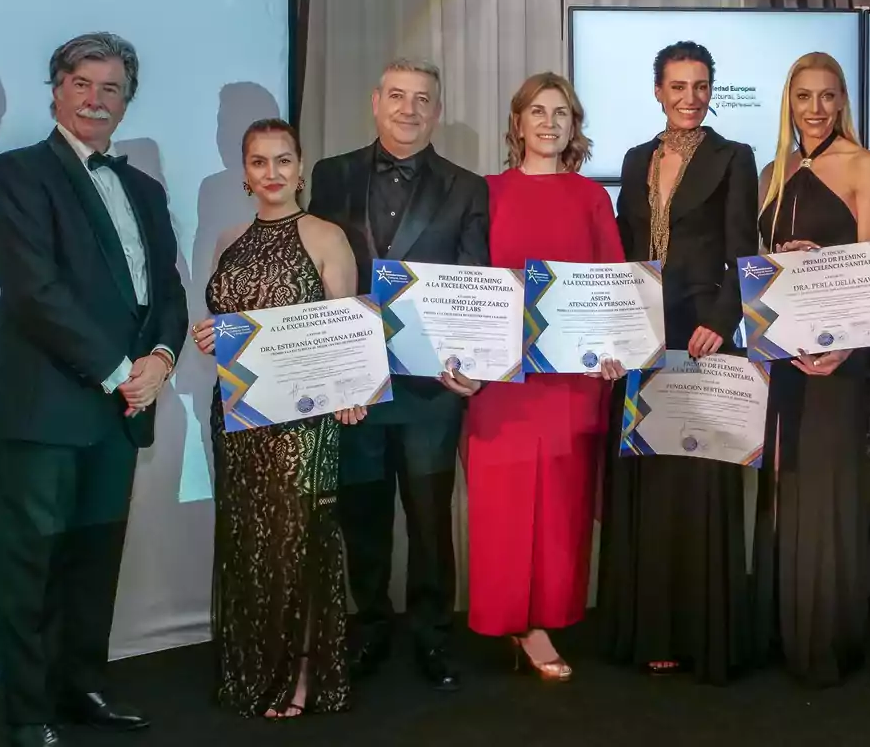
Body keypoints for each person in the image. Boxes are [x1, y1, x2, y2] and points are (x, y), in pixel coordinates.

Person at [0, 32, 188, 747]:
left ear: (126, 102)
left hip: (123, 405)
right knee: (32, 564)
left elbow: (167, 288)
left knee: (93, 562)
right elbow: (35, 291)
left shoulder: (145, 188)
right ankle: (28, 712)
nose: (97, 99)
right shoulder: (17, 174)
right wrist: (118, 373)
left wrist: (162, 356)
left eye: (112, 89)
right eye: (83, 83)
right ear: (56, 89)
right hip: (47, 403)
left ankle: (80, 688)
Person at [309, 58, 489, 691]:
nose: (409, 109)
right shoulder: (330, 176)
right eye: (397, 97)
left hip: (429, 390)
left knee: (430, 520)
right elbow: (312, 273)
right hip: (353, 387)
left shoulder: (468, 187)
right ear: (374, 101)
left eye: (423, 100)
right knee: (362, 517)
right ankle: (371, 629)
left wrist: (472, 366)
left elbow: (474, 279)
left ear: (436, 111)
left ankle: (433, 636)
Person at [596, 41, 759, 685]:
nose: (689, 97)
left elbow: (744, 250)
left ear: (711, 89)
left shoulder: (734, 157)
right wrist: (606, 322)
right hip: (640, 337)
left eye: (700, 85)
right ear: (657, 91)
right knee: (649, 482)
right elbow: (624, 248)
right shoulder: (637, 159)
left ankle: (701, 632)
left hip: (702, 336)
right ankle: (651, 628)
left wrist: (720, 324)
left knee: (699, 484)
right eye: (677, 86)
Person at [190, 119, 363, 718]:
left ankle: (303, 674)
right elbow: (227, 324)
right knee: (249, 543)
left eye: (283, 161)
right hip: (238, 420)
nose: (272, 174)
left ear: (300, 165)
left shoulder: (325, 235)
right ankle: (254, 666)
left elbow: (349, 330)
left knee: (303, 543)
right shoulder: (228, 239)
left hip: (305, 423)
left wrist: (353, 391)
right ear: (245, 172)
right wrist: (209, 337)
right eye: (260, 162)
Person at [457, 72, 625, 681]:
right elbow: (468, 282)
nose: (549, 122)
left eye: (561, 112)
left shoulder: (591, 197)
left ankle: (545, 620)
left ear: (573, 126)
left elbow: (613, 284)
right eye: (537, 111)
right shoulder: (485, 191)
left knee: (561, 506)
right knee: (502, 501)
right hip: (502, 381)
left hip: (572, 382)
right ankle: (513, 622)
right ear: (518, 123)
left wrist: (617, 349)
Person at [750, 52, 870, 686]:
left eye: (827, 96)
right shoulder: (769, 172)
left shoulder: (866, 165)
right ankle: (783, 631)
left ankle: (827, 639)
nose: (815, 108)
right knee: (785, 487)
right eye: (803, 96)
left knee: (830, 490)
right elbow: (757, 268)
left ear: (842, 102)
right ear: (789, 101)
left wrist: (843, 348)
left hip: (841, 359)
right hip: (783, 360)